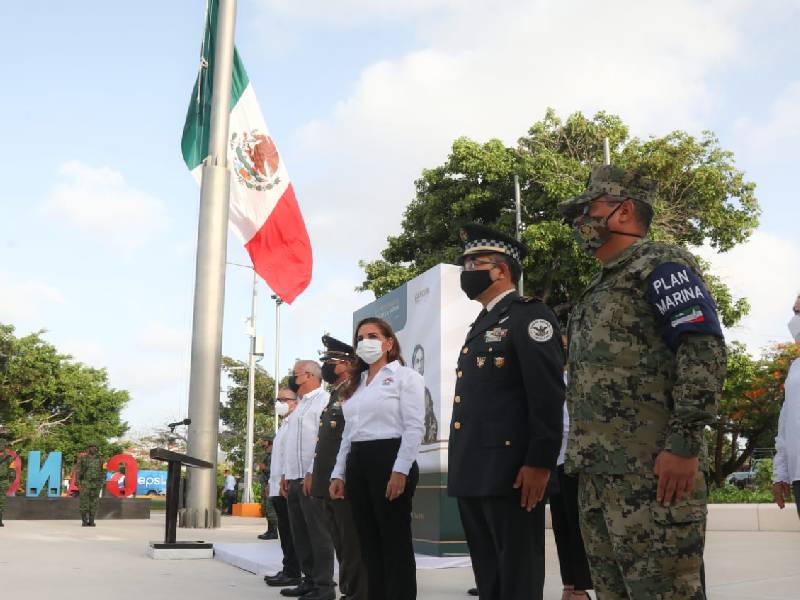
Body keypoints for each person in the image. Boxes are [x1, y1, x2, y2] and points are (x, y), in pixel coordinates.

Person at [558, 165, 726, 599]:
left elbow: (702, 347)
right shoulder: (599, 285)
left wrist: (684, 442)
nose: (582, 221)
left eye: (590, 208)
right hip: (599, 477)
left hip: (652, 473)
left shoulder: (661, 265)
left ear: (625, 210)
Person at [448, 223, 565, 600]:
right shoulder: (483, 323)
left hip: (513, 472)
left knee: (517, 574)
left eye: (474, 263)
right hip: (476, 469)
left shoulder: (529, 316)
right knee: (489, 575)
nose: (466, 272)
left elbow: (547, 395)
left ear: (501, 269)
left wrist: (540, 463)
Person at [330, 317, 425, 600]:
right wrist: (339, 473)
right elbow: (348, 433)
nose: (365, 342)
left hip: (390, 459)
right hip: (358, 463)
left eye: (372, 335)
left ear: (389, 342)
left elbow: (414, 427)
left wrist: (401, 471)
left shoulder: (406, 377)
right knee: (368, 544)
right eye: (360, 337)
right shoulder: (356, 384)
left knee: (394, 543)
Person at [304, 334, 367, 600]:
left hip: (342, 481)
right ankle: (349, 591)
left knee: (352, 545)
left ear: (349, 363)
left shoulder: (356, 390)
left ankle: (357, 594)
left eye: (332, 361)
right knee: (341, 544)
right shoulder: (337, 394)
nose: (328, 366)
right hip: (327, 481)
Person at [280, 360, 336, 600]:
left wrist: (313, 472)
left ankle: (324, 587)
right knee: (300, 534)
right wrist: (285, 474)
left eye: (296, 374)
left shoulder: (324, 400)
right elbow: (291, 444)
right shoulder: (301, 405)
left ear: (310, 375)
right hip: (294, 477)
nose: (294, 378)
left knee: (318, 534)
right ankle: (309, 580)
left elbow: (322, 441)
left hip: (311, 477)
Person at [550, 403, 593, 600]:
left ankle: (578, 588)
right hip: (556, 458)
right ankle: (571, 586)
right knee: (562, 526)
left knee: (577, 525)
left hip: (576, 458)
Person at [264, 389, 303, 588]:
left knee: (292, 531)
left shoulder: (296, 423)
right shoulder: (284, 424)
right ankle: (289, 569)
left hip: (287, 485)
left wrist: (285, 480)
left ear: (296, 402)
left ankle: (294, 572)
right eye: (277, 399)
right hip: (277, 485)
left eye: (284, 399)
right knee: (285, 531)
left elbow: (293, 455)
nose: (279, 402)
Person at [773, 291, 800, 519]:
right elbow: (786, 424)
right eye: (796, 312)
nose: (795, 320)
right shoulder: (795, 369)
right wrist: (780, 473)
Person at [411, 344, 438, 444]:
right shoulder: (406, 389)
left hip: (425, 445)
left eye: (422, 360)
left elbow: (432, 419)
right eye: (417, 361)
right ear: (413, 364)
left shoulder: (426, 392)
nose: (420, 365)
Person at [76, 443, 104, 527]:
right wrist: (77, 481)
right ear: (88, 448)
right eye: (92, 447)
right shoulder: (83, 458)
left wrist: (102, 482)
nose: (93, 449)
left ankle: (91, 521)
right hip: (85, 483)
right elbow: (78, 470)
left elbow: (102, 471)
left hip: (96, 484)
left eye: (95, 447)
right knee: (84, 502)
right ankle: (84, 521)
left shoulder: (100, 459)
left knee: (94, 502)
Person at [257, 437, 279, 540]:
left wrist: (264, 468)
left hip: (271, 485)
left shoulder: (274, 455)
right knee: (266, 509)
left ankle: (273, 532)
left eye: (265, 444)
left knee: (270, 510)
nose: (264, 446)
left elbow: (274, 471)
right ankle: (270, 531)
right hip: (266, 484)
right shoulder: (267, 455)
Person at [0, 434, 13, 527]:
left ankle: (0, 519)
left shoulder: (8, 457)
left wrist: (11, 480)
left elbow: (12, 469)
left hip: (3, 481)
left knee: (1, 501)